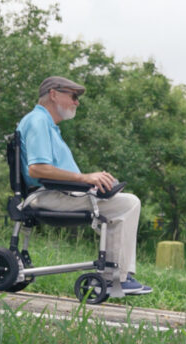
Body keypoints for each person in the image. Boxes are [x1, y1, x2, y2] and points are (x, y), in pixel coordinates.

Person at [17, 76, 151, 295]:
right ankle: (113, 278)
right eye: (73, 96)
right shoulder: (38, 121)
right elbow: (37, 169)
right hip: (47, 196)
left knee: (121, 201)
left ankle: (119, 275)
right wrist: (86, 178)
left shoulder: (48, 126)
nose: (77, 102)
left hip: (57, 194)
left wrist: (94, 185)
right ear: (53, 94)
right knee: (128, 204)